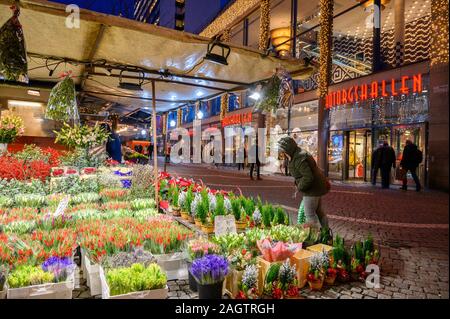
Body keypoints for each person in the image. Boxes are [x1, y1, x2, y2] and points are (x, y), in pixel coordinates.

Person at [278, 136, 330, 229]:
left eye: (283, 150)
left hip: (312, 189)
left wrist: (300, 187)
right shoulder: (295, 154)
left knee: (309, 214)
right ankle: (326, 233)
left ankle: (318, 236)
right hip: (316, 187)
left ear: (288, 148)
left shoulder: (299, 157)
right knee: (318, 212)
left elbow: (308, 177)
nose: (282, 152)